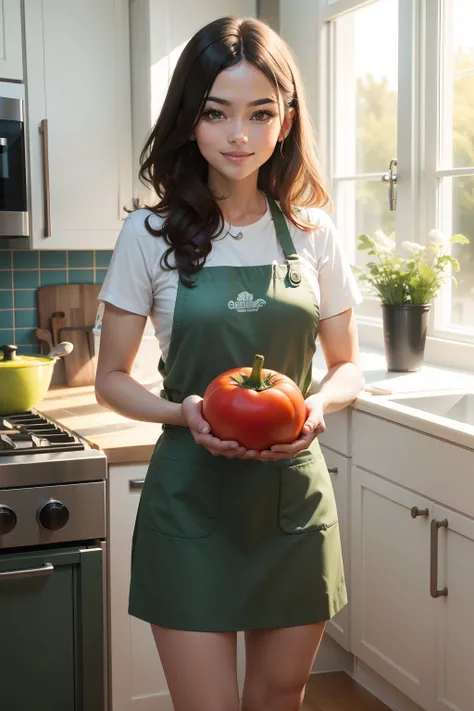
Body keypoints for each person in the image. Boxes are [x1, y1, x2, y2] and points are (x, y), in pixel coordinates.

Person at [95, 15, 364, 711]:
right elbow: (112, 379)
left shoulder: (313, 234)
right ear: (190, 120)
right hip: (190, 496)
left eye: (260, 113)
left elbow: (348, 366)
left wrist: (318, 405)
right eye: (217, 113)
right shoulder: (148, 235)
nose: (238, 136)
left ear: (285, 120)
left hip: (291, 502)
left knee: (280, 696)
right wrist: (179, 411)